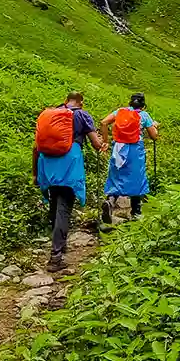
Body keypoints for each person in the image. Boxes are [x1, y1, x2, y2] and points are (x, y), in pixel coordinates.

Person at [33, 91, 106, 272]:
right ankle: (56, 257)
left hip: (46, 162)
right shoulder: (82, 115)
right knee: (64, 208)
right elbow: (96, 144)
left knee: (54, 202)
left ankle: (60, 244)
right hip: (69, 162)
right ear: (81, 103)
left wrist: (35, 173)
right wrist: (103, 144)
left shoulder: (51, 114)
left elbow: (36, 146)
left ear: (65, 101)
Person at [100, 92, 159, 224]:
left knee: (116, 177)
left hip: (119, 150)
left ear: (130, 103)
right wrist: (154, 126)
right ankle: (136, 212)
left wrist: (105, 141)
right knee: (136, 179)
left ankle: (110, 202)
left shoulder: (119, 112)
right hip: (135, 151)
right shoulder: (144, 115)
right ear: (143, 105)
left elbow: (104, 122)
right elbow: (154, 136)